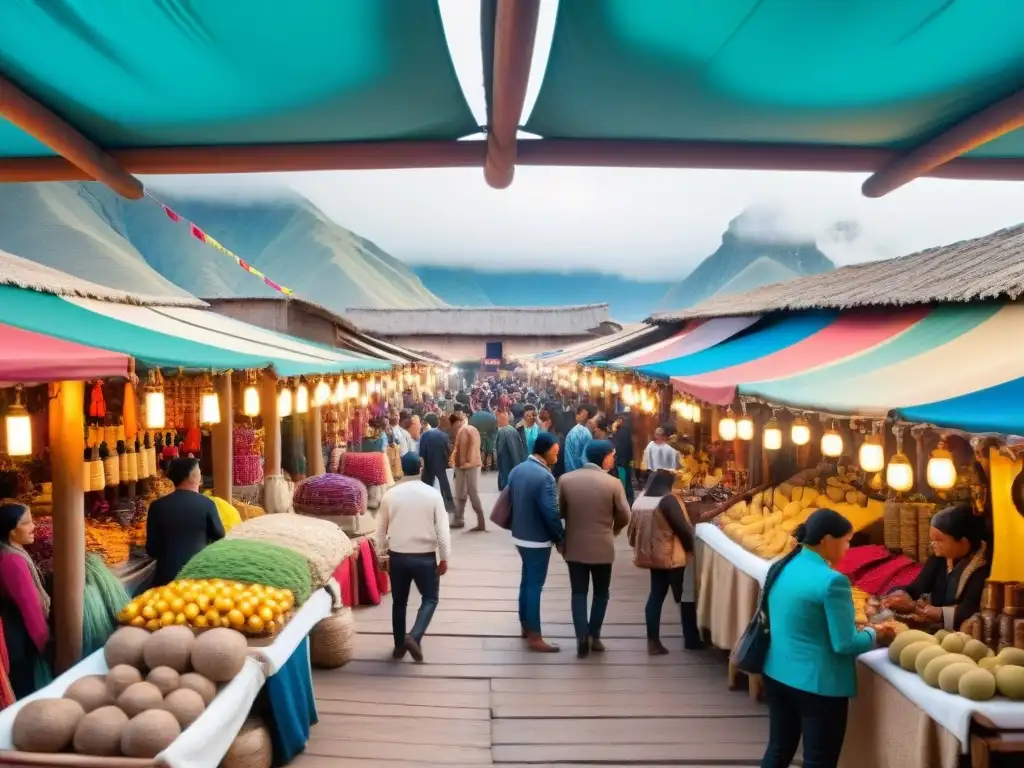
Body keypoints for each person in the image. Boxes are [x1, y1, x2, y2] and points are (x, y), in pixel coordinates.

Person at [761, 509, 895, 768]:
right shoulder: (833, 581)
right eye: (846, 541)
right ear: (826, 540)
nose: (848, 547)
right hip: (817, 685)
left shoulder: (783, 564)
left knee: (778, 749)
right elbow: (844, 644)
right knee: (818, 761)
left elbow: (799, 616)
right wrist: (874, 633)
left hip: (777, 672)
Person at [557, 440, 630, 657]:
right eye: (612, 455)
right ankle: (594, 635)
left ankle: (581, 637)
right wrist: (613, 530)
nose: (614, 459)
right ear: (605, 457)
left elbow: (559, 511)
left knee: (578, 593)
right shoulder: (613, 483)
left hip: (575, 545)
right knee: (601, 593)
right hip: (602, 546)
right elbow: (625, 515)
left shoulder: (566, 480)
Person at [376, 452, 451, 662]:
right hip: (425, 557)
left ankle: (399, 646)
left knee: (399, 602)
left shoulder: (390, 495)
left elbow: (380, 530)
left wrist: (382, 556)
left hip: (398, 555)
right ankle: (414, 635)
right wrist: (444, 557)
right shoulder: (432, 495)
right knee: (430, 598)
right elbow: (442, 531)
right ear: (421, 467)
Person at [881, 504, 990, 630]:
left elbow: (969, 609)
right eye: (932, 540)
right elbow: (916, 588)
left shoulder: (983, 567)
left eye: (939, 540)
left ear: (963, 542)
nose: (933, 544)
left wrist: (929, 611)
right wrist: (899, 596)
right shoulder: (939, 559)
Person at [628, 471, 701, 653]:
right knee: (684, 595)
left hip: (652, 557)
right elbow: (683, 529)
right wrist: (691, 548)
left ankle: (653, 641)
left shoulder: (640, 501)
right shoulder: (668, 500)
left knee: (656, 595)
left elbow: (631, 533)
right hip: (672, 556)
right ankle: (691, 638)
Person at [507, 432, 564, 653]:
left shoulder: (517, 470)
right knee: (534, 585)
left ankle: (525, 623)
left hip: (519, 534)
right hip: (537, 539)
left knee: (527, 580)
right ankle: (535, 635)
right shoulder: (545, 477)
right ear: (544, 450)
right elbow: (551, 512)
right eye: (555, 453)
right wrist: (559, 536)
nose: (557, 457)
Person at [146, 458, 225, 588]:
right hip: (199, 575)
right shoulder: (207, 504)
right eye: (199, 471)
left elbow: (152, 549)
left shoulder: (157, 506)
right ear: (192, 476)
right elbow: (219, 535)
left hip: (166, 577)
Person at [0, 503, 51, 698]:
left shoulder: (11, 550)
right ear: (12, 530)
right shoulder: (13, 560)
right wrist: (45, 643)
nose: (34, 526)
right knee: (24, 687)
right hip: (17, 637)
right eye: (26, 523)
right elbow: (31, 608)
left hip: (14, 632)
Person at [451, 411, 486, 530]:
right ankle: (458, 519)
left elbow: (472, 447)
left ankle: (481, 523)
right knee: (461, 493)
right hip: (465, 466)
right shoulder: (465, 430)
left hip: (469, 465)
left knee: (471, 492)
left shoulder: (467, 429)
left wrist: (467, 462)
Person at [419, 412, 456, 514]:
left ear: (427, 423)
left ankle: (427, 506)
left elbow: (422, 454)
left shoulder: (424, 435)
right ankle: (449, 504)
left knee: (427, 485)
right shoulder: (443, 435)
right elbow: (449, 451)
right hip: (440, 464)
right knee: (444, 484)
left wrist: (423, 467)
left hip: (428, 465)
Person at [495, 409, 527, 491]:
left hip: (505, 459)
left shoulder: (502, 432)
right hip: (514, 458)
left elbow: (499, 449)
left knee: (505, 475)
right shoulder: (512, 429)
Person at [563, 404, 596, 473]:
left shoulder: (576, 431)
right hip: (580, 473)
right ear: (585, 414)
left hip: (571, 473)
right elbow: (584, 459)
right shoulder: (582, 432)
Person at [612, 412, 635, 505]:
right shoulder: (628, 430)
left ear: (620, 420)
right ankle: (629, 500)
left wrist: (614, 430)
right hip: (627, 461)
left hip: (621, 461)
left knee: (623, 483)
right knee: (627, 481)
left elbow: (618, 446)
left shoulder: (622, 431)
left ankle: (626, 502)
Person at [469, 400, 498, 472]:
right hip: (489, 436)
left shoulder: (476, 415)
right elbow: (495, 428)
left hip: (479, 436)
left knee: (481, 450)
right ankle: (488, 466)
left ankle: (480, 465)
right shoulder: (491, 416)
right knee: (489, 452)